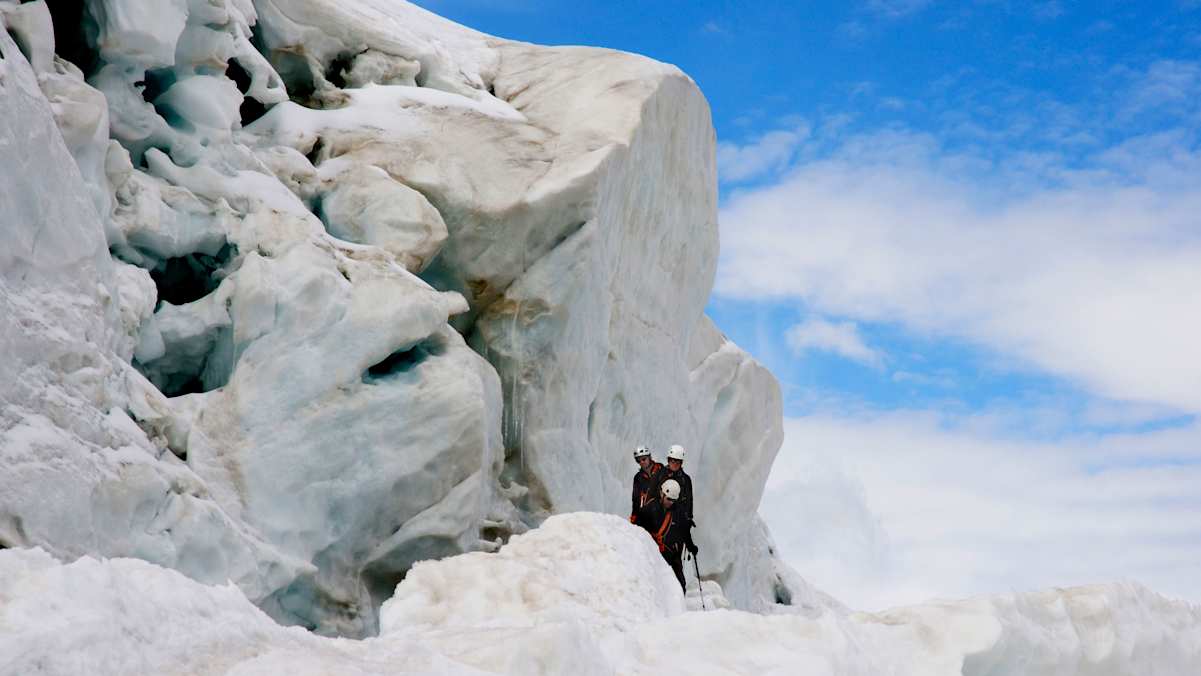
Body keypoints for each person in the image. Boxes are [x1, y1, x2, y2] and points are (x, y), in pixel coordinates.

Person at [634, 479, 697, 591]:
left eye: (673, 500)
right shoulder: (649, 508)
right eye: (668, 499)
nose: (670, 503)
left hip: (671, 553)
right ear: (661, 494)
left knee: (680, 585)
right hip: (653, 552)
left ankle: (678, 601)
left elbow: (684, 531)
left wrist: (691, 546)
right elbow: (637, 527)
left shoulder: (678, 512)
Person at [657, 444, 694, 527]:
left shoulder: (686, 479)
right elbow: (652, 492)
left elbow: (689, 500)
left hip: (678, 517)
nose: (675, 464)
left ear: (681, 463)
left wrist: (689, 517)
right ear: (668, 460)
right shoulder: (660, 474)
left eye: (678, 462)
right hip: (660, 514)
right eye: (673, 461)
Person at [629, 445, 663, 523]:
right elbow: (636, 499)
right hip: (646, 516)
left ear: (649, 457)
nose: (641, 462)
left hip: (662, 514)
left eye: (644, 459)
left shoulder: (661, 470)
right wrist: (634, 515)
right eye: (638, 461)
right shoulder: (638, 478)